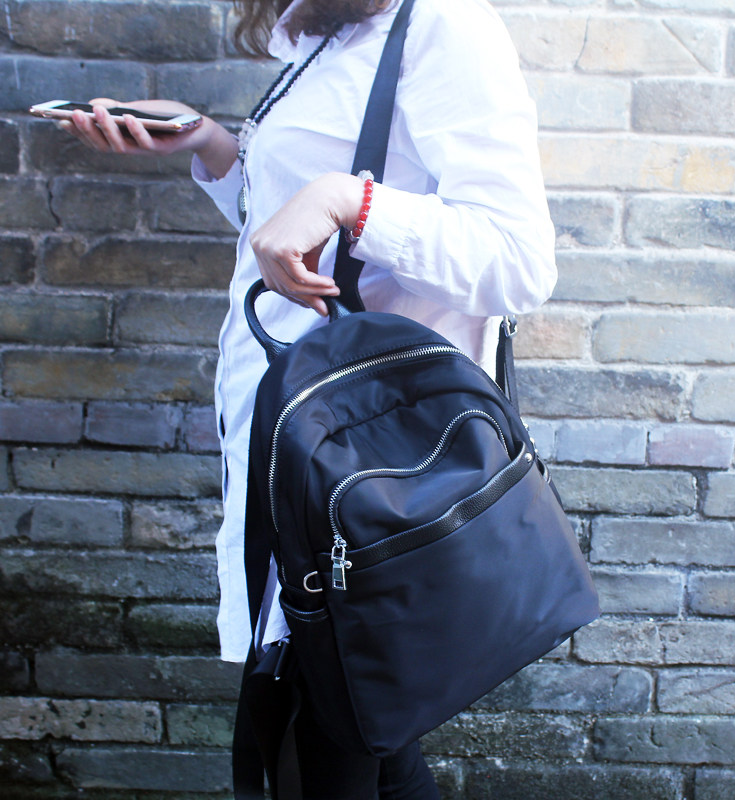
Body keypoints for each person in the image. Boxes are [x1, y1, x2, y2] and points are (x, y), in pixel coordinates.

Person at [61, 0, 557, 796]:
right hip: (303, 458)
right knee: (365, 742)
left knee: (315, 740)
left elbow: (517, 261)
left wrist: (346, 200)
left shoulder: (444, 24)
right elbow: (287, 235)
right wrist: (212, 145)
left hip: (360, 482)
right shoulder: (328, 33)